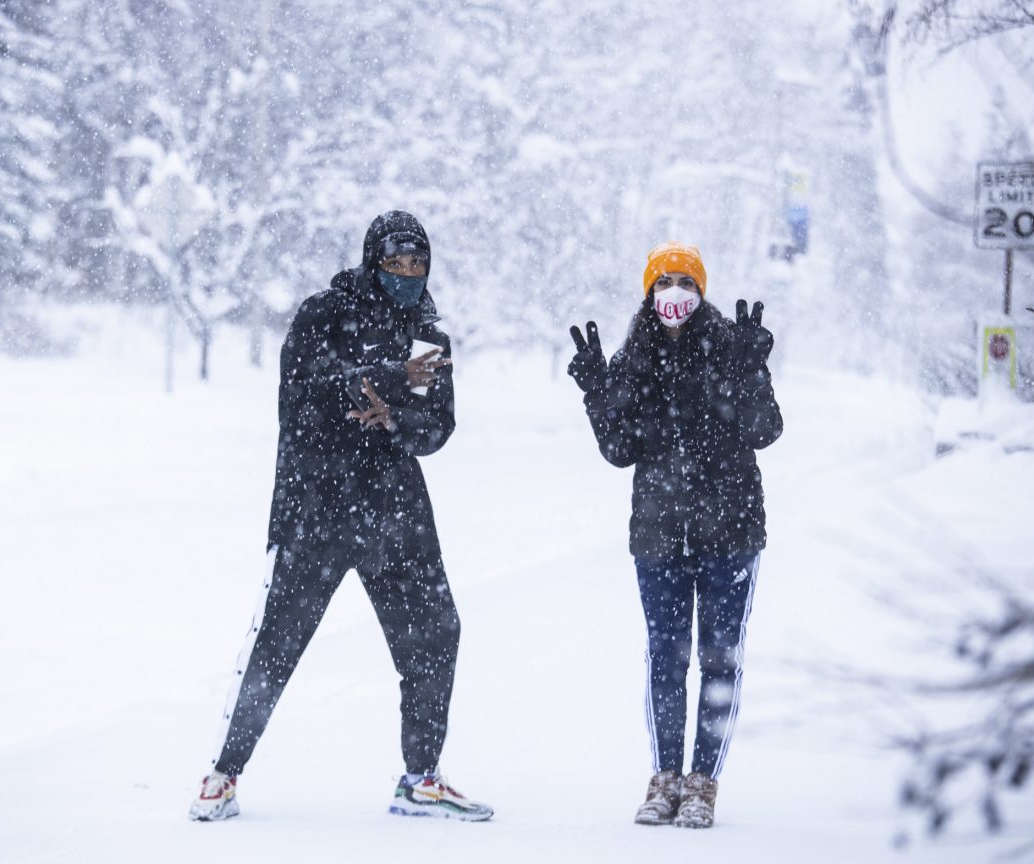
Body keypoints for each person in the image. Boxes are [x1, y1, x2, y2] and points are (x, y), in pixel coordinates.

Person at [188, 211, 492, 823]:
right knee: (279, 642)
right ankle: (222, 776)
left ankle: (421, 779)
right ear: (372, 259)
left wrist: (397, 420)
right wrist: (379, 382)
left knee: (436, 631)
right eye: (396, 261)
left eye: (418, 263)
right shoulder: (324, 313)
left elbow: (436, 429)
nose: (408, 274)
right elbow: (301, 395)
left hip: (395, 509)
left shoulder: (428, 332)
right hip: (319, 505)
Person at [567, 243, 782, 829]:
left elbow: (765, 430)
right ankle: (664, 778)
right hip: (660, 533)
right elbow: (619, 450)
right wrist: (595, 391)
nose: (674, 294)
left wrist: (753, 368)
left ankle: (703, 783)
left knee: (718, 659)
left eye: (685, 282)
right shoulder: (635, 359)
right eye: (664, 283)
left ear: (701, 289)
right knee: (666, 657)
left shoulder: (728, 348)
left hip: (730, 531)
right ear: (648, 293)